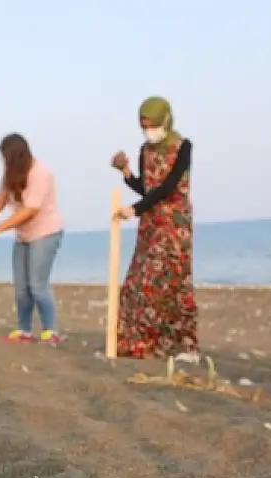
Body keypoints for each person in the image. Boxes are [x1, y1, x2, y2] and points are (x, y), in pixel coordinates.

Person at [107, 97, 199, 360]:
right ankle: (136, 341)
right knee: (136, 283)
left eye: (153, 124)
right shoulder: (144, 151)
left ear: (166, 120)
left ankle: (179, 344)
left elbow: (168, 186)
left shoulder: (183, 147)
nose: (149, 130)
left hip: (174, 225)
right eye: (144, 126)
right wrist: (125, 172)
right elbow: (147, 188)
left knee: (168, 283)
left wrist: (134, 209)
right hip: (150, 225)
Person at [0, 134, 64, 345]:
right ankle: (24, 330)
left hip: (45, 232)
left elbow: (30, 211)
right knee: (21, 287)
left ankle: (51, 330)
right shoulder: (11, 174)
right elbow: (2, 197)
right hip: (24, 235)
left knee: (37, 285)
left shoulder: (40, 173)